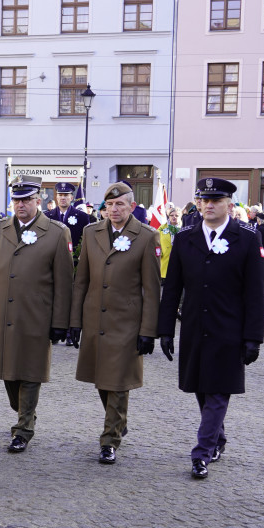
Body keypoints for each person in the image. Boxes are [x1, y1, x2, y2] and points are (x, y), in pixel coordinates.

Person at [157, 177, 264, 479]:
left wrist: (253, 337)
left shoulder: (247, 237)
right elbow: (173, 287)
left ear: (230, 205)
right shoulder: (185, 237)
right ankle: (217, 438)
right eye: (204, 200)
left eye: (215, 200)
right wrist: (165, 330)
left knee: (218, 391)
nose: (207, 205)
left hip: (229, 328)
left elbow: (256, 292)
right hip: (194, 326)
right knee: (202, 389)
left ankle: (201, 453)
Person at [0, 176, 73, 453]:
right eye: (16, 199)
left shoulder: (55, 232)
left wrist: (60, 323)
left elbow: (64, 284)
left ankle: (23, 428)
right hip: (3, 313)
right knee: (8, 374)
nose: (21, 204)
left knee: (30, 373)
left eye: (27, 199)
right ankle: (23, 412)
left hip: (36, 316)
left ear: (38, 201)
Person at [67, 181, 161, 465]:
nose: (114, 209)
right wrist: (75, 322)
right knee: (101, 379)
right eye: (109, 205)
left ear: (132, 206)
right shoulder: (91, 232)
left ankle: (109, 440)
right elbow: (81, 280)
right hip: (95, 317)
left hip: (126, 321)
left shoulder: (146, 236)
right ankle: (118, 421)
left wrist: (149, 330)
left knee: (117, 380)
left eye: (119, 204)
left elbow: (151, 288)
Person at [44, 182, 88, 260]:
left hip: (73, 260)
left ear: (71, 198)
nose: (62, 198)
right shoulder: (46, 217)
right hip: (52, 259)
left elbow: (86, 240)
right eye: (60, 195)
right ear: (56, 197)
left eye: (66, 195)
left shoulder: (82, 217)